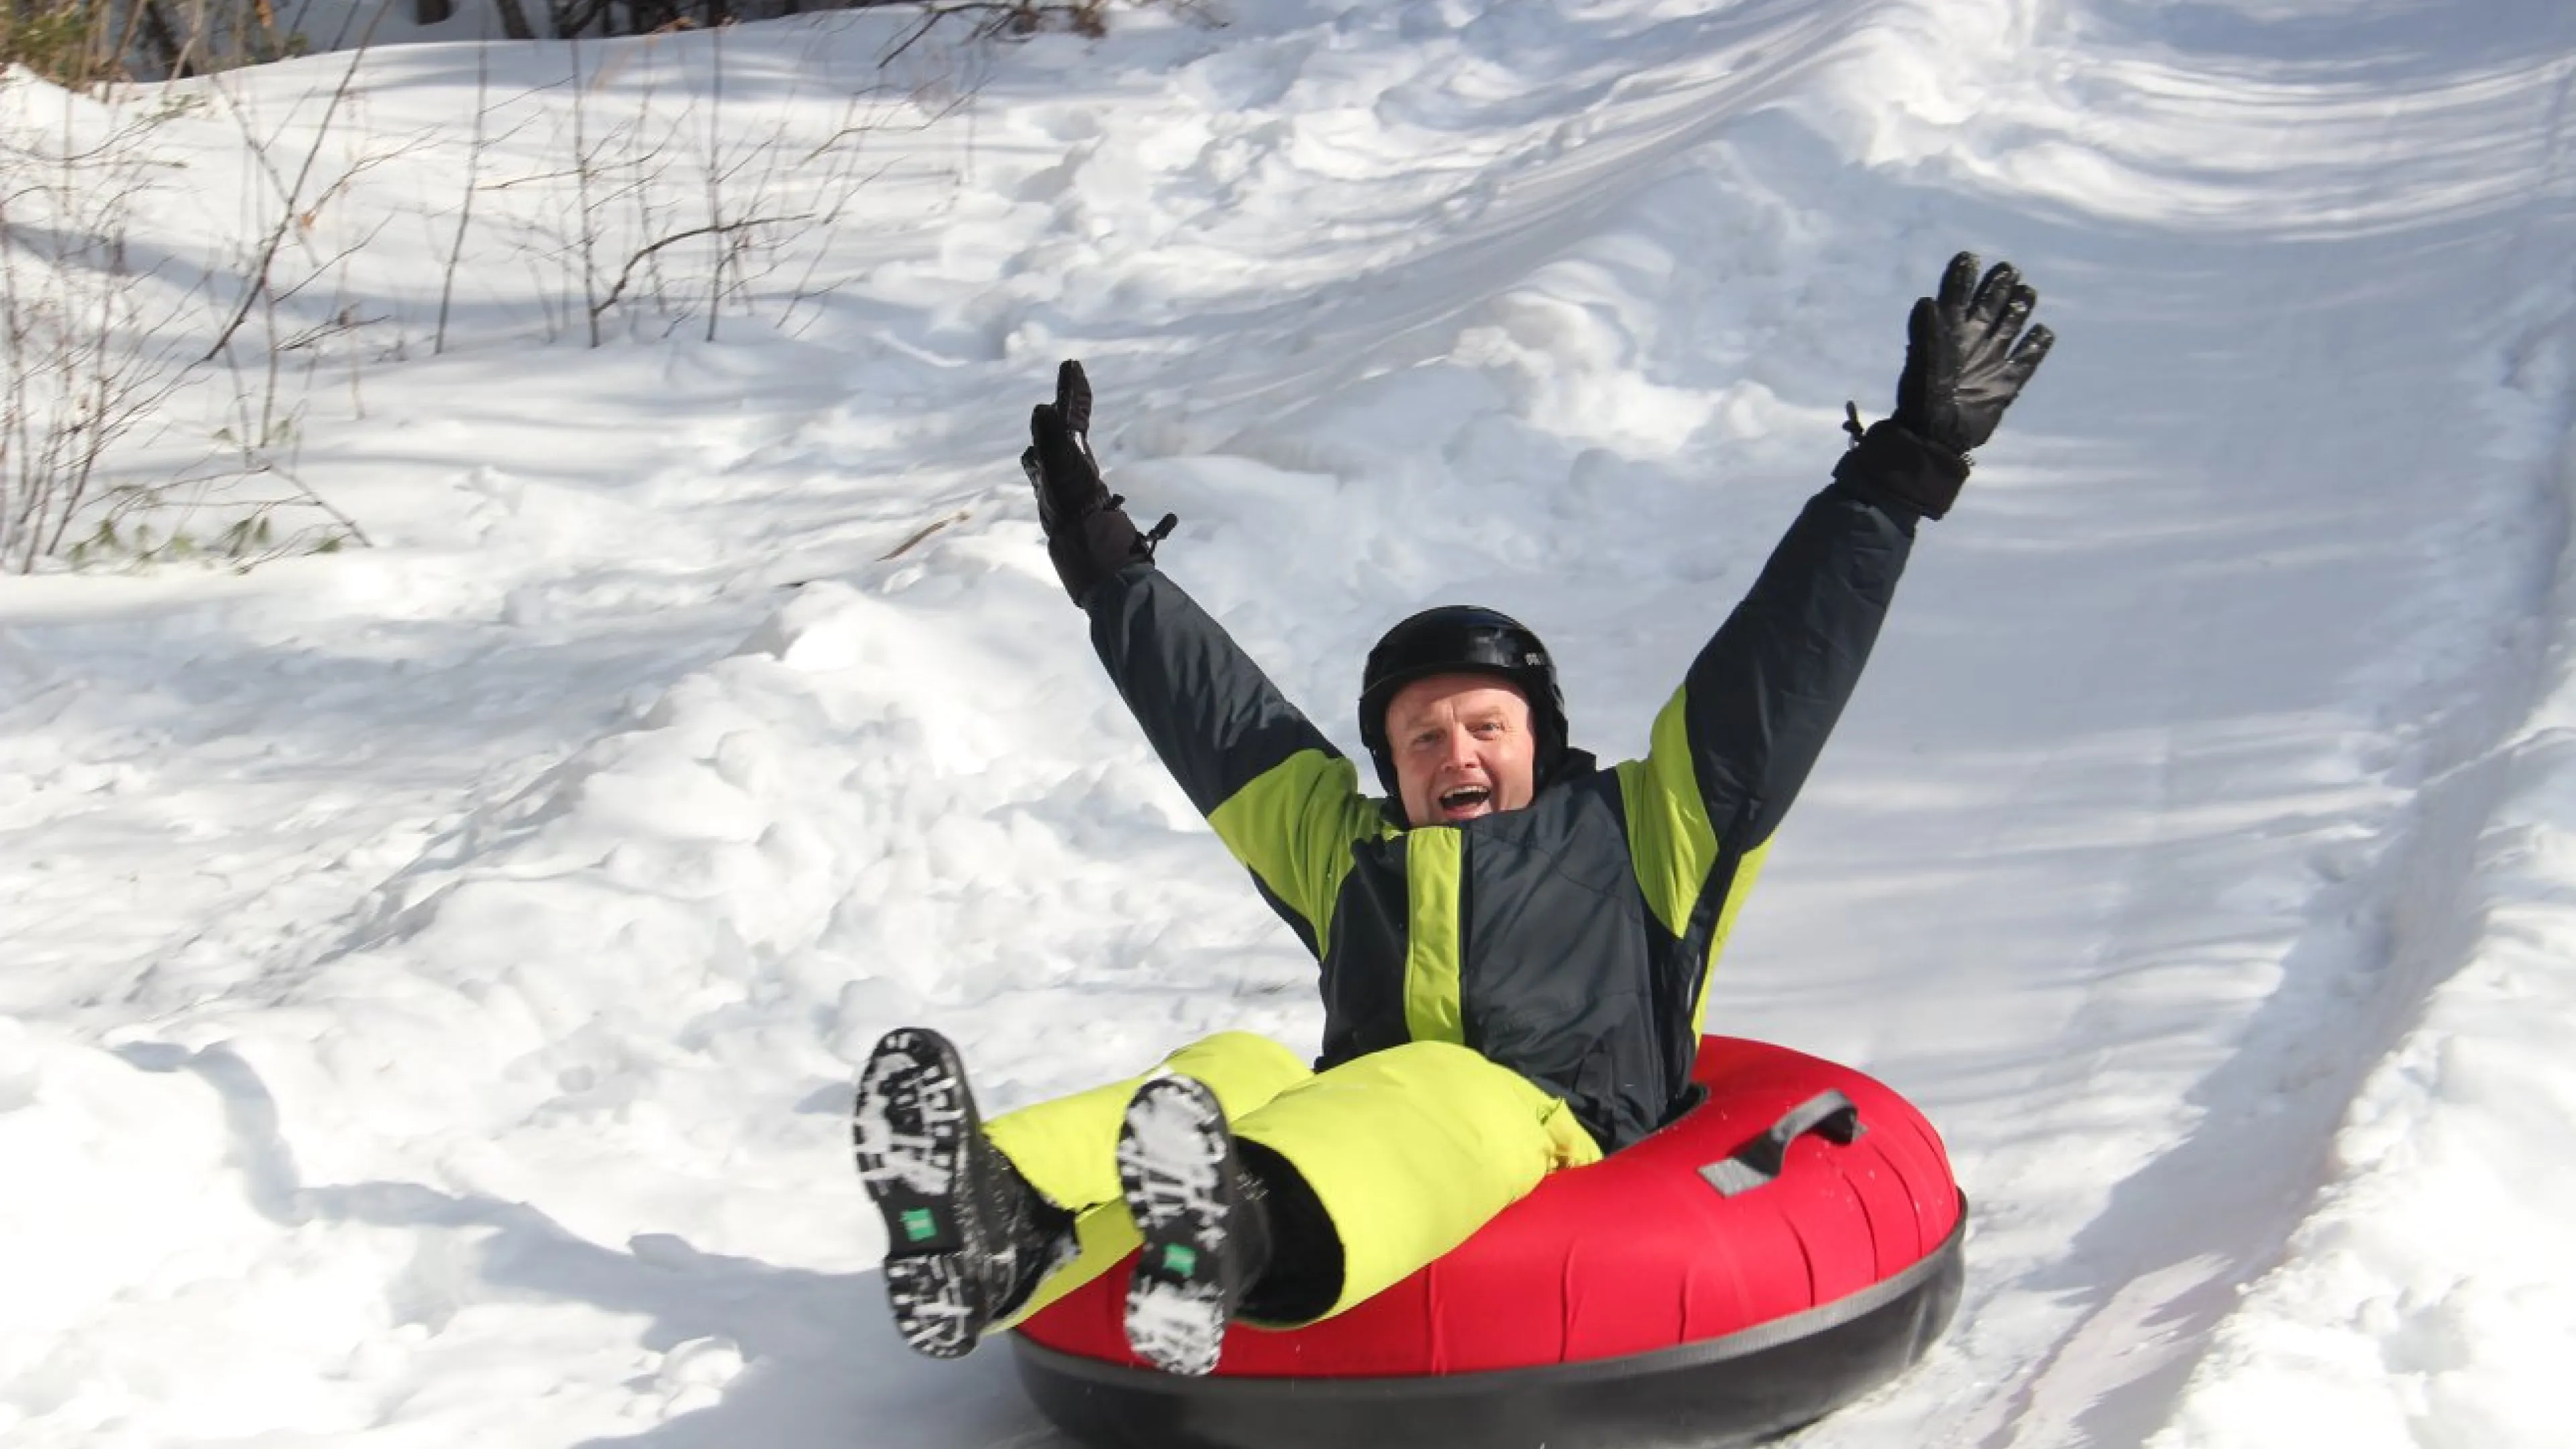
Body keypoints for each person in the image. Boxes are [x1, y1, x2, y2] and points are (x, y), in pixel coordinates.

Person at [853, 252, 2055, 1376]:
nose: (1455, 752)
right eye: (1421, 737)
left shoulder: (1650, 826)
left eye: (1487, 726)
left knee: (1444, 1085)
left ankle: (1235, 1235)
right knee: (1239, 1066)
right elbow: (1218, 718)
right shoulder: (1349, 852)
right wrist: (1101, 557)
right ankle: (996, 1216)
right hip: (1352, 1144)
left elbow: (1780, 661)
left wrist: (1900, 471)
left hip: (1551, 1142)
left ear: (1541, 740)